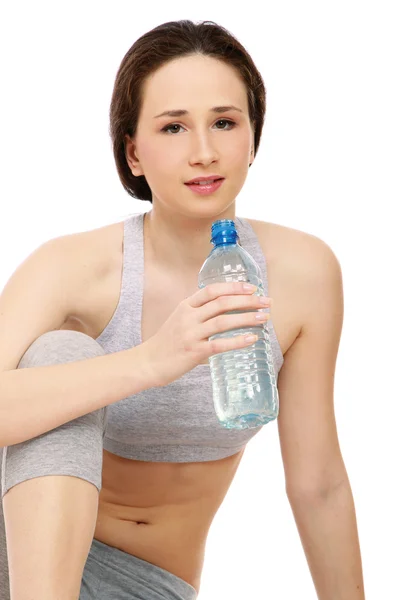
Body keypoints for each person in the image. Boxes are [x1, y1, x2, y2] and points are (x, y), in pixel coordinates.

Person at [0, 19, 365, 600]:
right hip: (15, 564)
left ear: (252, 138)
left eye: (224, 122)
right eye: (173, 127)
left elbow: (317, 483)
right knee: (59, 353)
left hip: (145, 583)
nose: (203, 152)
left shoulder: (302, 275)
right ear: (134, 153)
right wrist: (152, 361)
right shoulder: (72, 267)